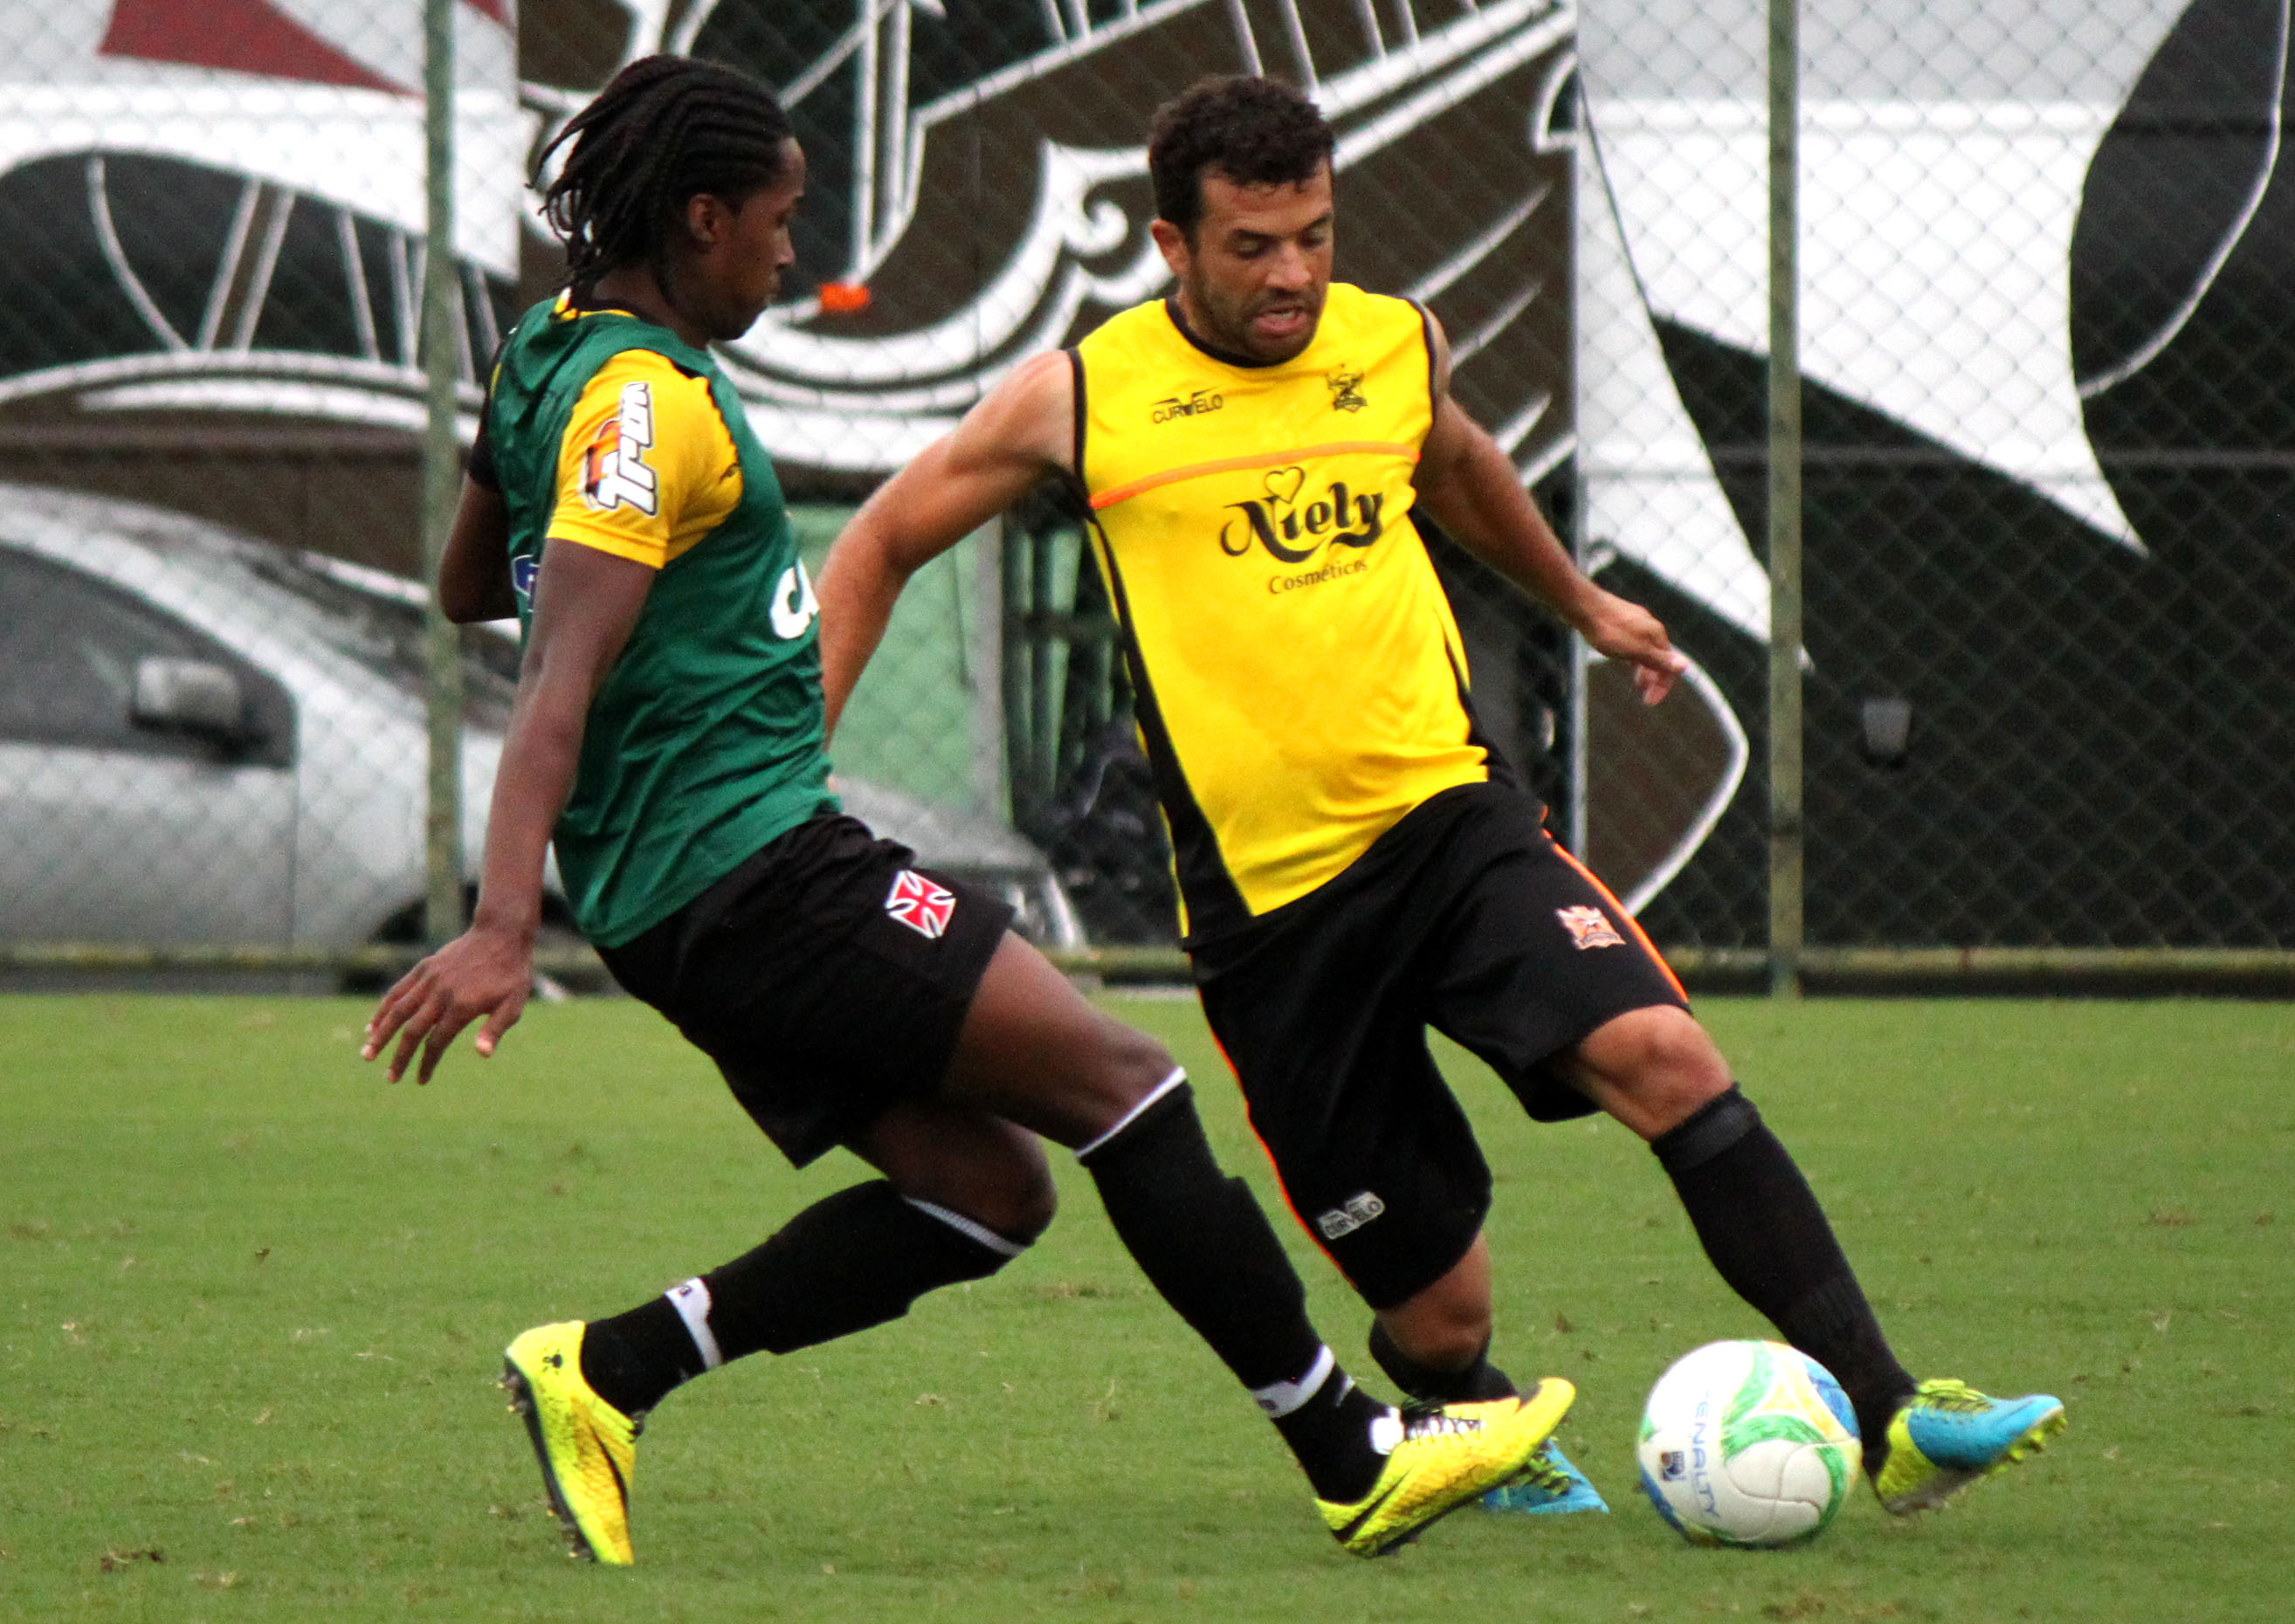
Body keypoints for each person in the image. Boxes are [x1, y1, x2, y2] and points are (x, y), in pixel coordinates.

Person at [358, 56, 1575, 1567]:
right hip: (752, 870)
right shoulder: (641, 406)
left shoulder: (548, 350)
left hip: (680, 898)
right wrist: (496, 920)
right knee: (1128, 1088)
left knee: (988, 1192)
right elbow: (555, 670)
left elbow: (476, 584)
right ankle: (1350, 1451)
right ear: (698, 216)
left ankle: (606, 1373)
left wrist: (679, 641)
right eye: (778, 222)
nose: (792, 253)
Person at [817, 73, 2064, 1518]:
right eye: (1252, 247)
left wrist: (1584, 602)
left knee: (1665, 1058)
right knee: (1443, 1315)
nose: (1293, 275)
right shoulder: (1085, 396)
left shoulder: (1395, 344)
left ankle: (1896, 1416)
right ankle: (1468, 1425)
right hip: (1275, 918)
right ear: (1171, 245)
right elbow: (886, 536)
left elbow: (1457, 460)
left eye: (1316, 237)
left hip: (1453, 825)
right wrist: (802, 760)